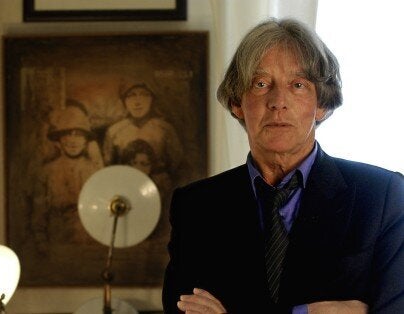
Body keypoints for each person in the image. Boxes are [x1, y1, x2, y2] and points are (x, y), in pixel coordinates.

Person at [162, 17, 404, 313]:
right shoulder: (195, 206)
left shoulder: (383, 196)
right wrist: (306, 312)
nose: (278, 101)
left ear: (322, 105)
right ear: (238, 102)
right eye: (261, 84)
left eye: (298, 85)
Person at [31, 99, 103, 253]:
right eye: (67, 135)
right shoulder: (47, 171)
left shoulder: (94, 171)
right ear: (58, 141)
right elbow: (39, 210)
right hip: (56, 238)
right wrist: (40, 240)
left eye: (79, 135)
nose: (73, 140)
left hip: (88, 240)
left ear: (86, 141)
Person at [102, 78, 183, 182]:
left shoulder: (165, 129)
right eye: (131, 95)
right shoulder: (114, 131)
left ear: (152, 99)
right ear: (124, 101)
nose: (137, 102)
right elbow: (108, 166)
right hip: (125, 184)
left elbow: (177, 164)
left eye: (144, 95)